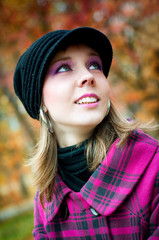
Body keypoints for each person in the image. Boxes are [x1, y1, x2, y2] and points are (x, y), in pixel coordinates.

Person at [13, 27, 159, 239]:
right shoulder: (45, 200)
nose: (88, 76)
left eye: (94, 65)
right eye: (63, 68)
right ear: (40, 101)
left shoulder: (154, 166)